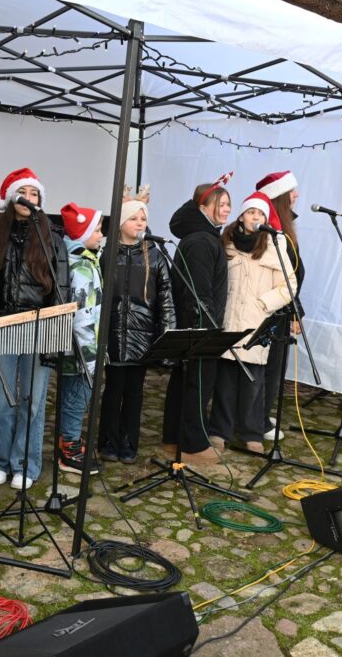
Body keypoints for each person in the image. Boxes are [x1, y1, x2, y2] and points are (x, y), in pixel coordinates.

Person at [0, 168, 69, 490]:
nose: (29, 199)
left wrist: (53, 339)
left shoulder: (53, 241)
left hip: (37, 327)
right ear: (10, 198)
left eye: (34, 194)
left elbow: (59, 289)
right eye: (23, 192)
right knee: (3, 399)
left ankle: (26, 463)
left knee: (31, 400)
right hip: (3, 326)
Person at [215, 192, 298, 453]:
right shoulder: (226, 241)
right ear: (241, 216)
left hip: (256, 323)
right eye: (251, 212)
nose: (255, 217)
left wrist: (264, 304)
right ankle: (219, 431)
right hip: (229, 321)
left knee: (253, 382)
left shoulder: (275, 244)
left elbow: (289, 285)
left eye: (260, 213)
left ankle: (251, 432)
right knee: (225, 381)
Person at [99, 194, 176, 462]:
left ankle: (129, 442)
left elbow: (166, 301)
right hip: (112, 334)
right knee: (113, 389)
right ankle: (107, 441)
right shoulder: (106, 253)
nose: (139, 223)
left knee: (134, 392)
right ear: (120, 223)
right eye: (133, 218)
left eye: (143, 218)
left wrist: (166, 339)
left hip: (142, 337)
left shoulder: (155, 256)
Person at [162, 181, 232, 465]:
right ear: (203, 207)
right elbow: (199, 292)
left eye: (228, 204)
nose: (227, 209)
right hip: (200, 327)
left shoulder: (203, 236)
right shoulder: (202, 241)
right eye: (221, 203)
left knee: (186, 380)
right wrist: (207, 329)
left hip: (198, 325)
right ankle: (191, 444)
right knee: (197, 382)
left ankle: (174, 437)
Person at [254, 170, 306, 442]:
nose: (296, 195)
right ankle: (259, 420)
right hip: (273, 309)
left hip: (284, 306)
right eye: (291, 191)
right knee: (269, 368)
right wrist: (294, 309)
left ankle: (262, 413)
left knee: (275, 367)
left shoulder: (285, 226)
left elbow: (294, 274)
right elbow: (285, 277)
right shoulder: (272, 231)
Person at [58, 202, 105, 475]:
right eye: (97, 229)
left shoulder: (83, 259)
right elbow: (82, 318)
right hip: (81, 350)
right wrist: (91, 358)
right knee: (78, 396)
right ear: (82, 233)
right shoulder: (82, 268)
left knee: (72, 396)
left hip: (77, 349)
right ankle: (70, 449)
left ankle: (70, 439)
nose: (101, 235)